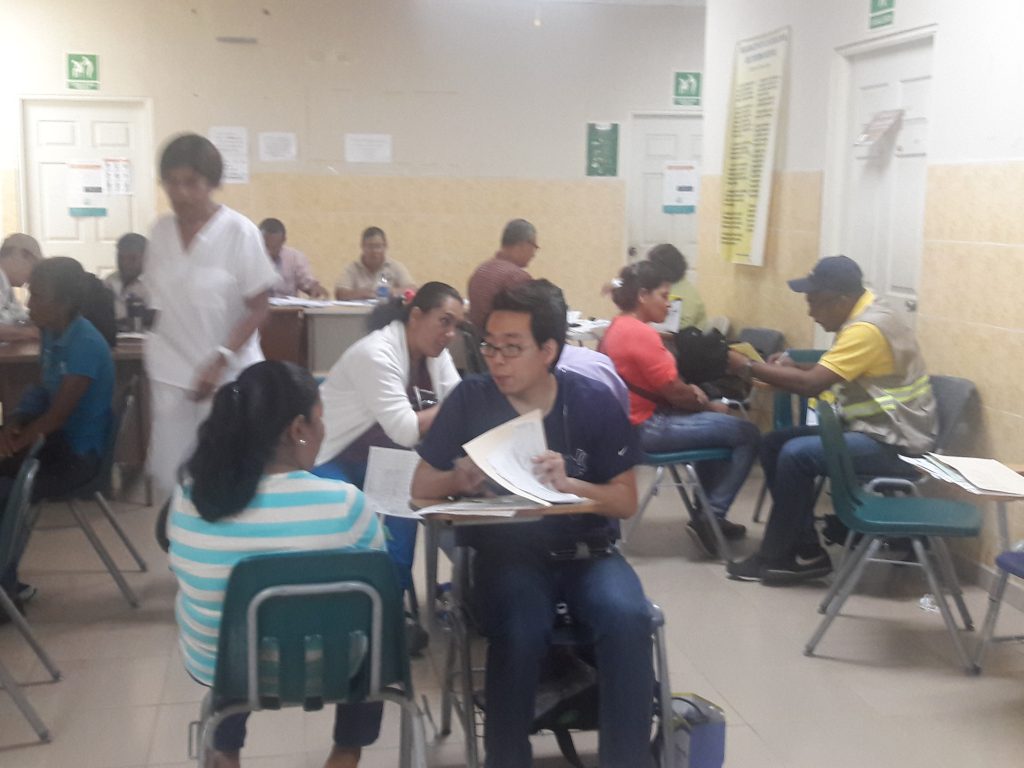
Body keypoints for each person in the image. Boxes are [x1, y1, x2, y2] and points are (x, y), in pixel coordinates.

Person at [411, 280, 653, 768]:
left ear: (548, 350)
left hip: (588, 554)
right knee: (521, 626)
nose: (496, 361)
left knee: (628, 617)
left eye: (512, 348)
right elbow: (420, 485)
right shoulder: (472, 399)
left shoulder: (592, 400)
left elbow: (625, 501)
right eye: (489, 346)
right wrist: (459, 476)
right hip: (509, 558)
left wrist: (572, 485)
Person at [167, 361, 386, 768]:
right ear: (298, 428)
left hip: (223, 668)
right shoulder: (346, 505)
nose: (324, 431)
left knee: (239, 629)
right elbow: (379, 591)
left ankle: (225, 751)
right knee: (376, 628)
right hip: (330, 668)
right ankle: (346, 752)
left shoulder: (189, 497)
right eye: (320, 419)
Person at [724, 255, 938, 584]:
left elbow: (813, 385)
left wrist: (746, 366)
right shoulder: (865, 315)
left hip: (898, 444)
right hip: (878, 431)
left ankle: (780, 556)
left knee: (796, 455)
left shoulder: (866, 329)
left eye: (815, 302)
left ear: (840, 300)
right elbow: (832, 371)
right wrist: (793, 368)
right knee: (773, 444)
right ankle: (805, 549)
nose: (810, 312)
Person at [144, 133, 279, 503]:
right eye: (171, 182)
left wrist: (221, 358)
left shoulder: (239, 232)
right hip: (172, 375)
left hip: (228, 375)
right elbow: (160, 305)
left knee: (226, 478)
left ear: (212, 183)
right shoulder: (160, 233)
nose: (180, 193)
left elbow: (259, 308)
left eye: (191, 182)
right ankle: (180, 538)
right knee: (175, 481)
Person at [599, 261, 760, 556]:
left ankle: (706, 514)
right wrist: (706, 402)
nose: (669, 303)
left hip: (629, 427)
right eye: (664, 295)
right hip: (647, 428)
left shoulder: (617, 327)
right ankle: (712, 515)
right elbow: (675, 392)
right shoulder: (641, 334)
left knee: (718, 430)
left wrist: (698, 399)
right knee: (747, 433)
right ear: (643, 295)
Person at [0, 257, 114, 617]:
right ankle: (7, 584)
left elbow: (56, 416)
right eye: (30, 293)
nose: (29, 303)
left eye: (38, 296)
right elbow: (42, 392)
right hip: (53, 444)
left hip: (76, 458)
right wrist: (14, 421)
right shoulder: (52, 333)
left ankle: (5, 589)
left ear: (63, 303)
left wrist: (13, 444)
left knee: (5, 491)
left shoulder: (85, 344)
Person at [316, 281, 464, 481]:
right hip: (341, 459)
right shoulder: (375, 354)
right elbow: (406, 431)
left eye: (457, 326)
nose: (451, 334)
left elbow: (460, 402)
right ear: (416, 316)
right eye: (445, 321)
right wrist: (458, 404)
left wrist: (461, 404)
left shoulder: (436, 353)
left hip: (389, 460)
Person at [466, 218, 538, 329]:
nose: (533, 254)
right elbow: (525, 323)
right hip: (500, 337)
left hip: (476, 337)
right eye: (534, 247)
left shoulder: (482, 269)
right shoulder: (516, 277)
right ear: (523, 245)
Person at [334, 227, 415, 301]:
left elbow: (413, 289)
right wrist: (363, 293)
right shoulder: (352, 268)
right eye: (370, 246)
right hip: (359, 312)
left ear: (385, 246)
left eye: (378, 246)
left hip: (387, 311)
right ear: (362, 246)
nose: (374, 251)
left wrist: (390, 292)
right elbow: (340, 293)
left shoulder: (395, 266)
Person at [258, 217, 328, 299]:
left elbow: (309, 284)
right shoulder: (249, 258)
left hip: (287, 306)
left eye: (274, 247)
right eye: (266, 247)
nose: (270, 252)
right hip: (257, 305)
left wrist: (315, 289)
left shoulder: (295, 258)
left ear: (283, 240)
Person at [647, 243, 707, 330]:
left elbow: (682, 326)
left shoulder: (684, 291)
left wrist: (651, 326)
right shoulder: (670, 286)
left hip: (687, 336)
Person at [0, 233, 43, 342]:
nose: (33, 275)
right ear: (22, 255)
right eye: (34, 266)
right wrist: (31, 333)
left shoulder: (6, 287)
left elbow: (22, 317)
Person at [104, 232, 151, 327]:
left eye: (132, 258)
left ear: (146, 258)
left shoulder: (153, 284)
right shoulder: (110, 280)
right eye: (120, 257)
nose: (124, 263)